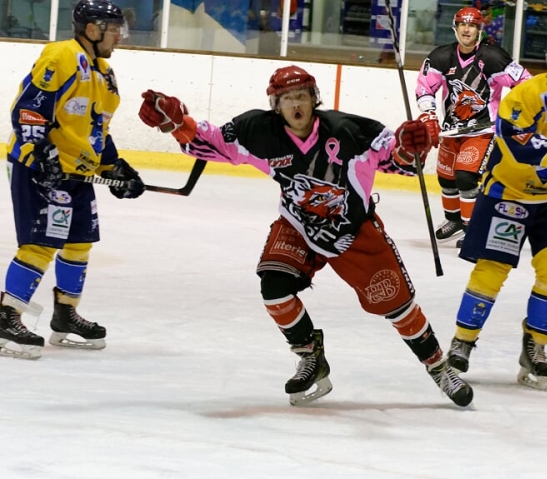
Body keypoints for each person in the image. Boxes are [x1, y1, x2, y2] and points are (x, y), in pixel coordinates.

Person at [137, 65, 473, 407]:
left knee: (398, 307)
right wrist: (176, 123)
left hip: (352, 230)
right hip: (298, 225)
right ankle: (310, 355)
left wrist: (410, 145)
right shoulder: (258, 131)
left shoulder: (348, 131)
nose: (295, 104)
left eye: (301, 96)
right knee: (274, 286)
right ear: (276, 105)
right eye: (287, 99)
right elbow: (212, 142)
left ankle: (439, 368)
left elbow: (396, 159)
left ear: (314, 99)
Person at [445, 35, 547, 390]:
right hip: (509, 193)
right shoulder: (526, 94)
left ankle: (536, 345)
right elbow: (515, 144)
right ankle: (463, 340)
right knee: (492, 269)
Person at [0, 0, 145, 361]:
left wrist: (114, 168)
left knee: (79, 242)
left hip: (76, 174)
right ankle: (6, 317)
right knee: (40, 244)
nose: (119, 37)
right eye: (114, 30)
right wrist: (42, 154)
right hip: (39, 169)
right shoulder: (62, 56)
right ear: (92, 29)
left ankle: (65, 314)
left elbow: (97, 129)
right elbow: (28, 109)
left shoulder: (105, 74)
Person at [415, 6, 531, 245]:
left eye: (472, 25)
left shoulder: (493, 57)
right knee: (446, 179)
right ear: (455, 27)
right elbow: (424, 87)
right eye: (462, 24)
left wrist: (516, 114)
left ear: (479, 29)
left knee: (465, 177)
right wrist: (428, 114)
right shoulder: (440, 57)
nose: (466, 29)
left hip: (482, 130)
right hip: (452, 129)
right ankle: (455, 220)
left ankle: (473, 228)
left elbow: (525, 82)